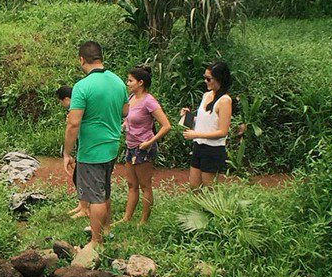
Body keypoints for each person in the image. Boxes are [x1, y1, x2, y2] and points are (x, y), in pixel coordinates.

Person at [64, 41, 128, 248]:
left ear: (82, 59)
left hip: (92, 150)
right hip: (111, 146)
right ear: (100, 57)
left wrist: (66, 153)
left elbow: (73, 123)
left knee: (95, 197)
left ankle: (96, 241)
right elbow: (125, 112)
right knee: (104, 190)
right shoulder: (118, 81)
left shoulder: (82, 86)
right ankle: (106, 229)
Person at [120, 65, 171, 224]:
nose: (127, 83)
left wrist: (149, 142)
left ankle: (143, 220)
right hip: (130, 146)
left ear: (140, 82)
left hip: (144, 147)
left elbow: (166, 126)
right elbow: (129, 118)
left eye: (130, 80)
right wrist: (123, 125)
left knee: (144, 186)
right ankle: (126, 217)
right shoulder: (130, 98)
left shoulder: (149, 101)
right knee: (131, 184)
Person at [181, 61, 232, 189]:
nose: (206, 81)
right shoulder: (206, 95)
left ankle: (211, 209)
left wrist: (196, 134)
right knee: (194, 186)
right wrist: (189, 117)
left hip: (212, 149)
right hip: (199, 146)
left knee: (209, 189)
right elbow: (206, 121)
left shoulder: (225, 101)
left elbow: (222, 131)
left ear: (219, 79)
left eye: (209, 79)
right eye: (204, 78)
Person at [57, 85, 89, 219]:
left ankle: (85, 209)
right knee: (78, 176)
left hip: (86, 147)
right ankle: (81, 205)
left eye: (61, 101)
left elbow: (76, 126)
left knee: (80, 177)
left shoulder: (76, 109)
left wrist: (67, 153)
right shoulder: (75, 109)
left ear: (65, 99)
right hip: (80, 146)